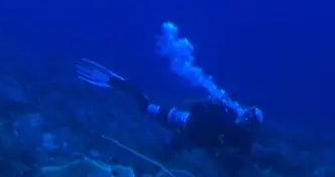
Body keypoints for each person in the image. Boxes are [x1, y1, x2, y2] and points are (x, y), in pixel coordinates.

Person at [76, 58, 262, 154]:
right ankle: (124, 84)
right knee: (146, 108)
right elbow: (201, 117)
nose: (244, 116)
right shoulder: (227, 114)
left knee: (152, 114)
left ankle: (125, 85)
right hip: (181, 119)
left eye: (248, 117)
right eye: (247, 114)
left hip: (185, 125)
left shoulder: (241, 136)